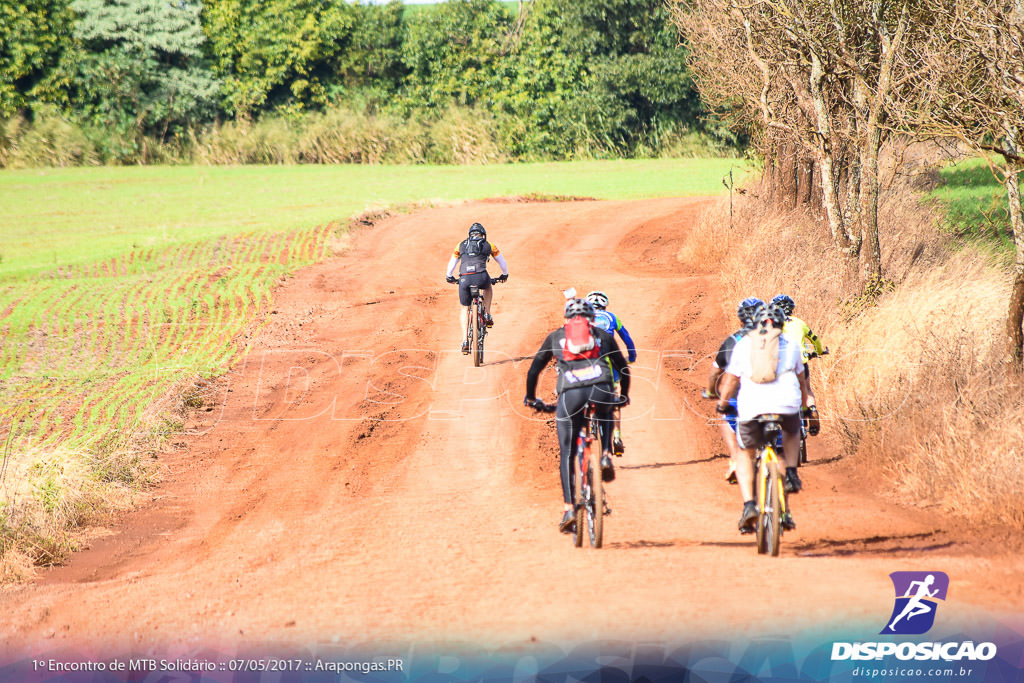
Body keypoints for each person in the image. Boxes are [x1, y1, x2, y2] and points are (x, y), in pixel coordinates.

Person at [524, 298, 631, 532]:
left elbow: (534, 369)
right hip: (601, 388)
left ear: (566, 319)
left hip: (570, 395)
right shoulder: (602, 336)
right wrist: (624, 394)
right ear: (592, 318)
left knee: (567, 453)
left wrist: (531, 398)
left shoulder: (556, 336)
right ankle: (604, 455)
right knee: (606, 410)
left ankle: (569, 509)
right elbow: (622, 366)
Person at [716, 302, 812, 533]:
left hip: (752, 408)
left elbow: (730, 381)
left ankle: (749, 504)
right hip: (786, 406)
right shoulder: (791, 346)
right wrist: (804, 405)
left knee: (745, 453)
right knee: (788, 436)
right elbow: (802, 381)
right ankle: (790, 474)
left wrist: (722, 404)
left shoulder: (743, 345)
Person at [704, 297, 763, 483]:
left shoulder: (733, 340)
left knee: (726, 418)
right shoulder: (777, 338)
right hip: (772, 394)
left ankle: (736, 457)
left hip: (741, 395)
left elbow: (716, 372)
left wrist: (712, 392)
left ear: (740, 319)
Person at [445, 223, 508, 354]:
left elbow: (452, 263)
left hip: (464, 279)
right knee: (488, 287)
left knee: (464, 309)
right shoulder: (489, 245)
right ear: (483, 234)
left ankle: (464, 341)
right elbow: (502, 262)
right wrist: (504, 274)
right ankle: (487, 314)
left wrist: (449, 276)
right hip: (481, 277)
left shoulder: (460, 245)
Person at [585, 290, 636, 455]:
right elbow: (626, 337)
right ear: (605, 305)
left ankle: (591, 420)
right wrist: (632, 356)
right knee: (614, 398)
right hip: (610, 363)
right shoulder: (612, 317)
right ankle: (617, 436)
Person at [770, 294, 824, 434]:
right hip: (801, 362)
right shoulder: (800, 323)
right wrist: (819, 351)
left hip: (781, 363)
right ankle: (812, 409)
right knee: (807, 388)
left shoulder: (773, 324)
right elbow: (815, 339)